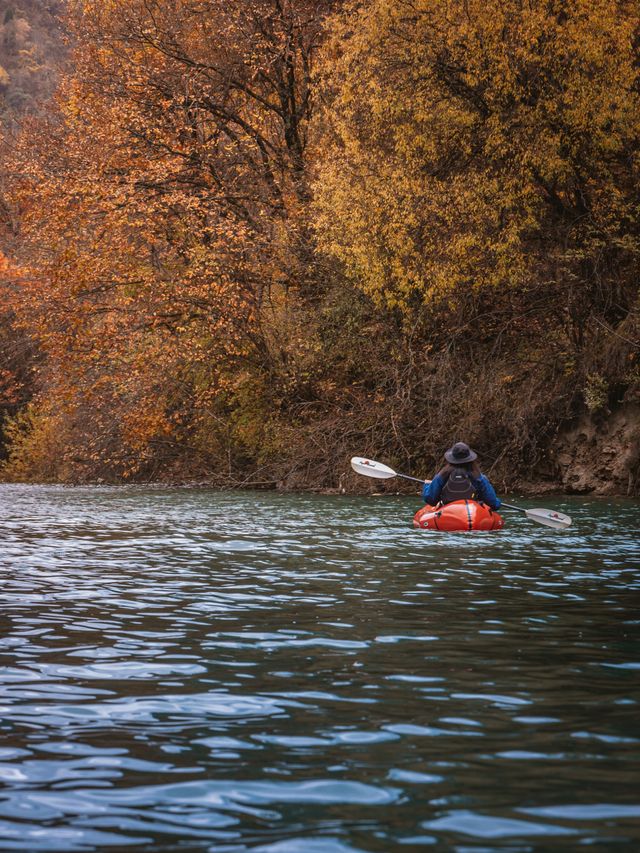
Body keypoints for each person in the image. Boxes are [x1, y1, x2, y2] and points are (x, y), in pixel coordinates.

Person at [422, 441, 501, 511]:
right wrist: (498, 502)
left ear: (451, 459)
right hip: (473, 512)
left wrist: (427, 485)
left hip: (448, 512)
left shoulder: (442, 475)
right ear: (470, 459)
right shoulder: (479, 477)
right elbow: (494, 504)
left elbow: (430, 499)